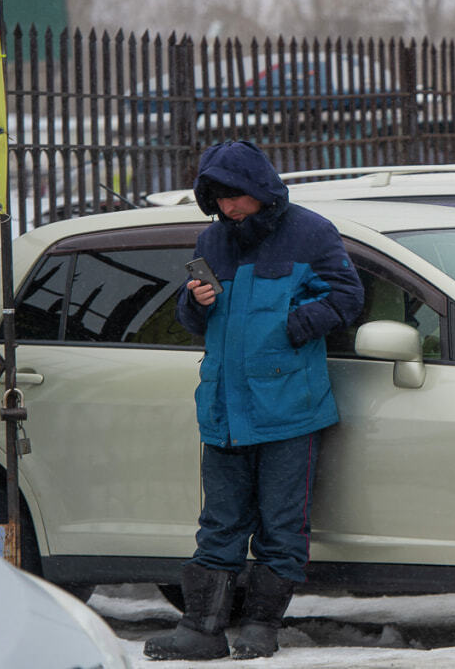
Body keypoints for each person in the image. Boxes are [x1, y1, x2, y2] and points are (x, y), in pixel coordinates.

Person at [144, 141, 363, 660]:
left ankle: (261, 628)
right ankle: (201, 630)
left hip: (289, 410)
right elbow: (194, 321)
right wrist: (192, 302)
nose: (229, 208)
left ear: (261, 190)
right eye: (218, 199)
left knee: (282, 527)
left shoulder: (310, 232)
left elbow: (346, 295)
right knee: (219, 523)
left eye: (236, 197)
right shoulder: (210, 241)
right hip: (222, 412)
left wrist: (293, 326)